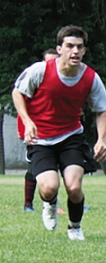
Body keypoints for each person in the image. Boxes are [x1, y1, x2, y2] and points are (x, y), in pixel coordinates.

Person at [12, 26, 106, 240]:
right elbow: (17, 93)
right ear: (60, 49)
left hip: (70, 137)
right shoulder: (40, 71)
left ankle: (74, 227)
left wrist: (102, 140)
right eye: (70, 46)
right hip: (41, 139)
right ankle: (49, 202)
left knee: (74, 187)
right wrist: (27, 122)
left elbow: (102, 110)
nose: (75, 51)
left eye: (79, 47)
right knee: (49, 187)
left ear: (84, 51)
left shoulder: (91, 78)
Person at [16, 48, 59, 212]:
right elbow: (22, 106)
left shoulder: (63, 82)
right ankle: (28, 204)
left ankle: (74, 202)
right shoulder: (34, 81)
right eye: (48, 61)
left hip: (58, 133)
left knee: (68, 166)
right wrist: (24, 129)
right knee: (34, 169)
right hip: (37, 133)